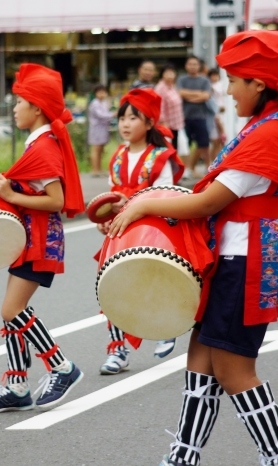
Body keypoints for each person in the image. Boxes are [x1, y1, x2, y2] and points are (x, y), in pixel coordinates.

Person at [109, 30, 278, 466]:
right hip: (241, 255)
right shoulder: (276, 126)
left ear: (258, 83)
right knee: (200, 360)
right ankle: (183, 456)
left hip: (246, 260)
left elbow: (208, 202)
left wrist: (147, 201)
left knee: (233, 369)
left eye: (234, 80)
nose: (227, 89)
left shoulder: (266, 134)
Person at [0, 63, 85, 413]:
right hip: (29, 236)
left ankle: (62, 368)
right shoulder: (37, 142)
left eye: (19, 101)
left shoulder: (44, 147)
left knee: (12, 309)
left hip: (40, 237)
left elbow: (56, 200)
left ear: (37, 107)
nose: (15, 107)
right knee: (11, 312)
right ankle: (18, 385)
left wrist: (9, 193)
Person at [96, 88, 185, 374]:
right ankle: (117, 351)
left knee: (155, 282)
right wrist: (105, 216)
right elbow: (112, 194)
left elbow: (167, 196)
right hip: (121, 230)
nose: (125, 123)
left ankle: (166, 326)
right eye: (122, 117)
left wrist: (132, 202)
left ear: (149, 123)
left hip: (153, 231)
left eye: (133, 118)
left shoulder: (161, 156)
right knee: (111, 285)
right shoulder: (118, 156)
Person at [177, 55, 212, 179]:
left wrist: (188, 96)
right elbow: (180, 93)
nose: (192, 66)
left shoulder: (204, 80)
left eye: (195, 64)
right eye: (190, 64)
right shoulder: (181, 79)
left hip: (200, 117)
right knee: (184, 145)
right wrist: (198, 94)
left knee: (204, 143)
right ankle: (186, 169)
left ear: (199, 66)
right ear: (186, 66)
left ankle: (207, 168)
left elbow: (206, 96)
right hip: (184, 117)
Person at [87, 84, 114, 177]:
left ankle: (99, 169)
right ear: (95, 94)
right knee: (96, 149)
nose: (102, 94)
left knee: (101, 149)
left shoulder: (104, 102)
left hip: (103, 129)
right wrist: (112, 114)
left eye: (103, 92)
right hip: (96, 129)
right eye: (100, 92)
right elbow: (101, 115)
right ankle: (94, 169)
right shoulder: (95, 103)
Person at [154, 64, 185, 141]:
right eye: (167, 73)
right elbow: (160, 107)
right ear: (162, 74)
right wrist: (163, 123)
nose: (170, 75)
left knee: (175, 148)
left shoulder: (172, 87)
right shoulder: (160, 88)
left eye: (172, 73)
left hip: (175, 123)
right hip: (166, 125)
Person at [206, 68, 226, 164]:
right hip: (213, 115)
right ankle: (212, 161)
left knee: (219, 140)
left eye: (216, 75)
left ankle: (217, 161)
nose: (214, 77)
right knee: (214, 140)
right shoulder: (209, 87)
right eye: (212, 75)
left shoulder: (220, 85)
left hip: (220, 114)